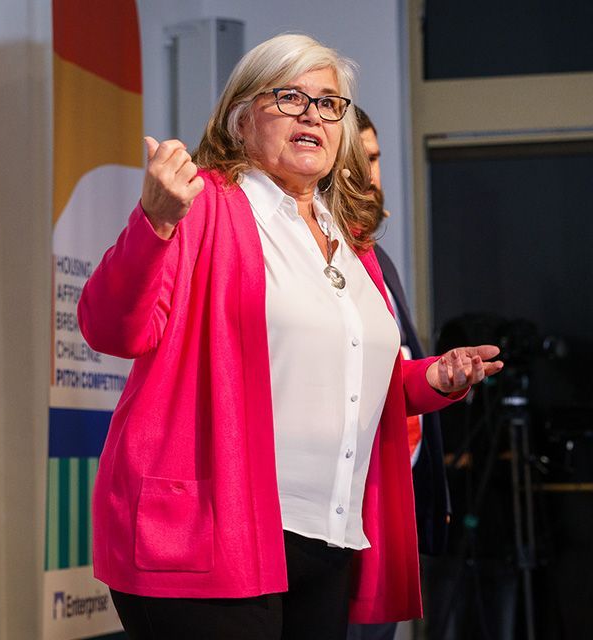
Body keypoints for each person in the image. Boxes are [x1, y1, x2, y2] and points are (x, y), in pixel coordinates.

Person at [77, 33, 503, 640]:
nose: (313, 113)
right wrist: (156, 221)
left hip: (326, 535)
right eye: (290, 97)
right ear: (241, 119)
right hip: (210, 533)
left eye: (330, 103)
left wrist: (431, 379)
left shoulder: (351, 244)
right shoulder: (204, 207)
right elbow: (108, 327)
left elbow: (346, 379)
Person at [347, 109, 452, 640]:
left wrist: (441, 377)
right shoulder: (317, 259)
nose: (370, 176)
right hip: (342, 511)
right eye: (357, 160)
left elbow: (393, 376)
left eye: (376, 158)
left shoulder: (379, 259)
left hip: (392, 503)